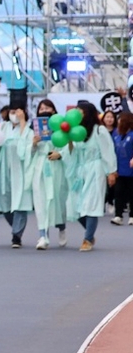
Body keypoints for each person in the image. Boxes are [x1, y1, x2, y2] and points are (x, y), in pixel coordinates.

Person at [63, 102, 118, 251]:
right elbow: (72, 152)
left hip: (96, 169)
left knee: (91, 204)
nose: (78, 114)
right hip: (81, 171)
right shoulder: (77, 132)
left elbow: (108, 151)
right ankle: (90, 232)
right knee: (78, 206)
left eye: (81, 111)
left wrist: (111, 171)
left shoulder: (99, 130)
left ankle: (87, 239)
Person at [0, 92, 35, 248]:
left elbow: (25, 148)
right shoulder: (3, 127)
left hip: (21, 168)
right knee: (5, 202)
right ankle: (15, 227)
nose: (14, 115)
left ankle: (16, 235)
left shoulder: (28, 130)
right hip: (5, 167)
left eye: (18, 112)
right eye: (12, 112)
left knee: (20, 202)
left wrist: (23, 123)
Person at [31, 100, 70, 250]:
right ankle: (43, 236)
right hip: (41, 166)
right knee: (40, 202)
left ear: (54, 111)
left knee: (58, 200)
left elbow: (69, 147)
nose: (44, 110)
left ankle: (62, 228)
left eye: (47, 107)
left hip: (57, 167)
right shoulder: (34, 129)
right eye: (41, 108)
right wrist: (34, 144)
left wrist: (60, 154)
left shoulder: (62, 129)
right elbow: (27, 153)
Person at [112, 112, 133, 225]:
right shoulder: (116, 134)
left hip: (131, 168)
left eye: (120, 120)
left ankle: (132, 216)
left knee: (132, 193)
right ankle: (118, 215)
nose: (118, 122)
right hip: (119, 168)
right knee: (118, 192)